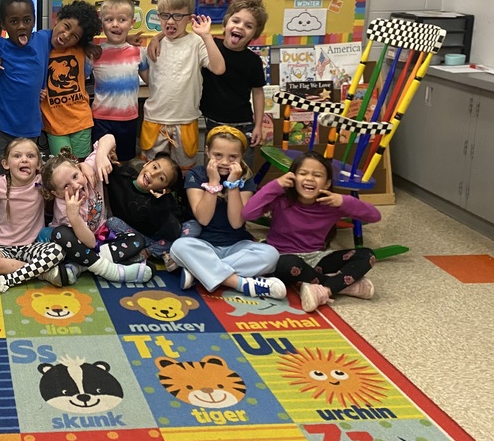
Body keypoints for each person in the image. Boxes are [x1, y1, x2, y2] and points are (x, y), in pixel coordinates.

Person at [241, 151, 380, 312]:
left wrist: (344, 201)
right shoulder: (282, 199)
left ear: (327, 184)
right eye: (303, 173)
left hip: (317, 258)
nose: (309, 178)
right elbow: (247, 213)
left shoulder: (331, 204)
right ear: (292, 178)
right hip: (281, 257)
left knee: (367, 255)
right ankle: (344, 286)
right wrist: (275, 185)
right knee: (288, 264)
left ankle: (325, 289)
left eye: (317, 175)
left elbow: (374, 216)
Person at [168, 126, 282, 298]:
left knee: (271, 255)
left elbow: (237, 222)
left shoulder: (245, 179)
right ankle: (241, 283)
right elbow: (203, 218)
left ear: (241, 156)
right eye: (218, 155)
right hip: (203, 245)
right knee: (179, 247)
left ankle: (198, 272)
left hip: (237, 246)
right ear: (207, 152)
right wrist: (213, 182)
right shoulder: (196, 174)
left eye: (233, 157)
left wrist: (233, 184)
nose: (224, 162)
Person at [41, 134, 152, 284]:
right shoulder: (64, 207)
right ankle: (111, 270)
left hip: (101, 239)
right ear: (57, 194)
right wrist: (73, 217)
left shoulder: (89, 172)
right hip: (77, 246)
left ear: (79, 169)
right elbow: (90, 243)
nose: (75, 186)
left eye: (75, 176)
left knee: (138, 240)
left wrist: (100, 157)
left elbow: (109, 138)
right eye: (65, 186)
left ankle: (80, 267)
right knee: (61, 235)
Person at [140, 0, 225, 168]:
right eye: (165, 15)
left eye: (178, 16)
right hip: (155, 119)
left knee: (184, 171)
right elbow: (152, 79)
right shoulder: (154, 44)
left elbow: (218, 68)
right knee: (152, 170)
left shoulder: (196, 43)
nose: (170, 21)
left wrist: (207, 36)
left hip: (185, 121)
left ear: (189, 18)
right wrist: (156, 37)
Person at [0, 0, 54, 173]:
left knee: (25, 177)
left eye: (27, 20)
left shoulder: (43, 40)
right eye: (14, 22)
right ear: (3, 25)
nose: (21, 26)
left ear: (34, 20)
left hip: (30, 127)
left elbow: (72, 35)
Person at [0, 138, 64, 293]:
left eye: (30, 156)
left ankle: (6, 279)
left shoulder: (41, 183)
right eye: (17, 156)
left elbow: (65, 172)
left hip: (32, 246)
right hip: (3, 247)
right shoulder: (0, 184)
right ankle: (42, 273)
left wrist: (84, 165)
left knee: (58, 250)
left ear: (38, 164)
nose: (24, 159)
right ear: (6, 164)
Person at [199, 0, 268, 168]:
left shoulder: (253, 61)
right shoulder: (209, 46)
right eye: (235, 21)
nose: (240, 27)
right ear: (225, 23)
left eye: (248, 26)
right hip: (211, 121)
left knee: (241, 172)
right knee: (213, 171)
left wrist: (258, 125)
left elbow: (258, 92)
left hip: (242, 124)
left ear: (255, 34)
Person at [40, 0, 102, 158]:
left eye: (74, 36)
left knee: (82, 165)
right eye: (66, 26)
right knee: (62, 167)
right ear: (58, 19)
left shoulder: (82, 50)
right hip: (55, 124)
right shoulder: (41, 48)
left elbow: (110, 46)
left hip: (81, 120)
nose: (67, 35)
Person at [91, 0, 149, 162]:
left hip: (128, 120)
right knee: (100, 160)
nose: (115, 24)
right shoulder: (95, 54)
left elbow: (152, 82)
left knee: (124, 162)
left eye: (122, 19)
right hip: (101, 119)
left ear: (132, 23)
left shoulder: (138, 53)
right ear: (102, 24)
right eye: (109, 20)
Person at [103, 152, 186, 262]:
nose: (153, 174)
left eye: (161, 178)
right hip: (131, 238)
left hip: (158, 238)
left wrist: (160, 204)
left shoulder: (164, 201)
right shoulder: (124, 175)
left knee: (192, 227)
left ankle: (149, 252)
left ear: (164, 189)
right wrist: (106, 158)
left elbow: (173, 234)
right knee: (112, 222)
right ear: (147, 163)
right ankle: (160, 253)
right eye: (154, 167)